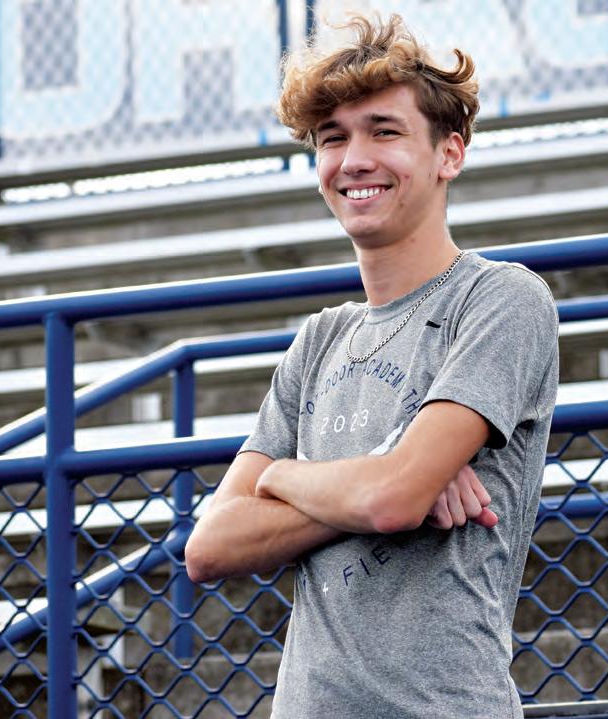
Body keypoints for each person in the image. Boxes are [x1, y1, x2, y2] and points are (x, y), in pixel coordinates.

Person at [184, 14, 558, 718]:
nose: (353, 159)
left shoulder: (501, 299)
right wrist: (384, 479)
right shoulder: (318, 339)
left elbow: (392, 500)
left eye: (384, 131)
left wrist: (283, 478)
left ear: (449, 154)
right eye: (333, 138)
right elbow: (210, 546)